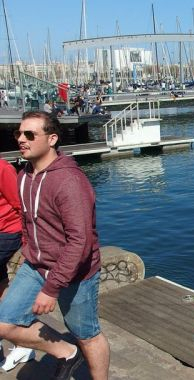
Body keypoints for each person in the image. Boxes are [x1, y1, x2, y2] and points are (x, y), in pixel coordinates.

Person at [0, 111, 110, 380]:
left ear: (52, 139)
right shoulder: (24, 174)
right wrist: (29, 249)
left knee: (87, 335)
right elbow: (27, 220)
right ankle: (65, 352)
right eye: (18, 133)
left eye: (29, 134)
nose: (21, 139)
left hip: (76, 272)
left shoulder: (69, 181)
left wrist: (51, 288)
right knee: (4, 323)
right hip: (36, 265)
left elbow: (80, 241)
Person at [0, 158, 36, 371]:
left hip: (7, 232)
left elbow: (21, 205)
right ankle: (22, 341)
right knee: (1, 287)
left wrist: (28, 243)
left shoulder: (3, 168)